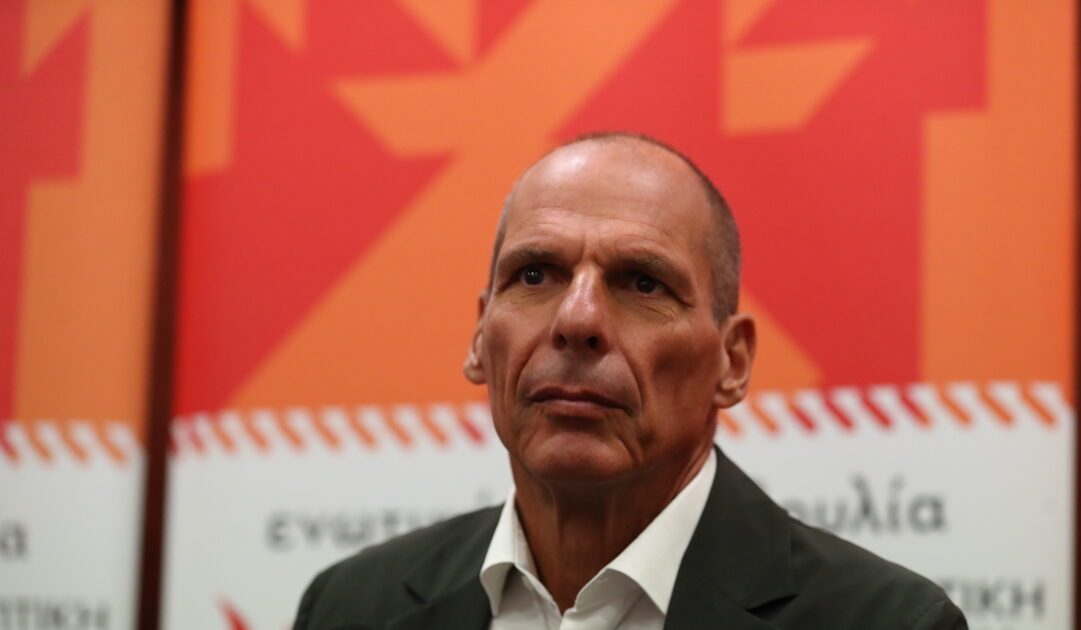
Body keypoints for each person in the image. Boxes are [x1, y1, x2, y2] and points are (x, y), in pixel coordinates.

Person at [292, 132, 967, 630]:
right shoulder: (351, 607)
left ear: (731, 362)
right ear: (478, 339)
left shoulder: (887, 622)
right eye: (535, 275)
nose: (576, 320)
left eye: (643, 283)